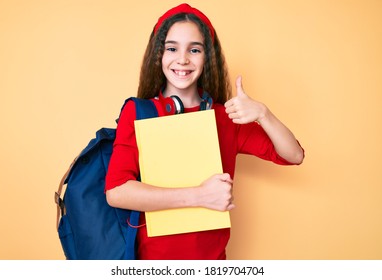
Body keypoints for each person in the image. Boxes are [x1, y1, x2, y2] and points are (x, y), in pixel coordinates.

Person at [105, 3, 304, 260]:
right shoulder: (139, 112)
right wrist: (200, 196)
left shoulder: (226, 117)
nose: (183, 59)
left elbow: (293, 155)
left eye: (194, 49)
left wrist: (263, 113)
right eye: (172, 48)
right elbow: (117, 191)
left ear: (206, 57)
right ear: (159, 55)